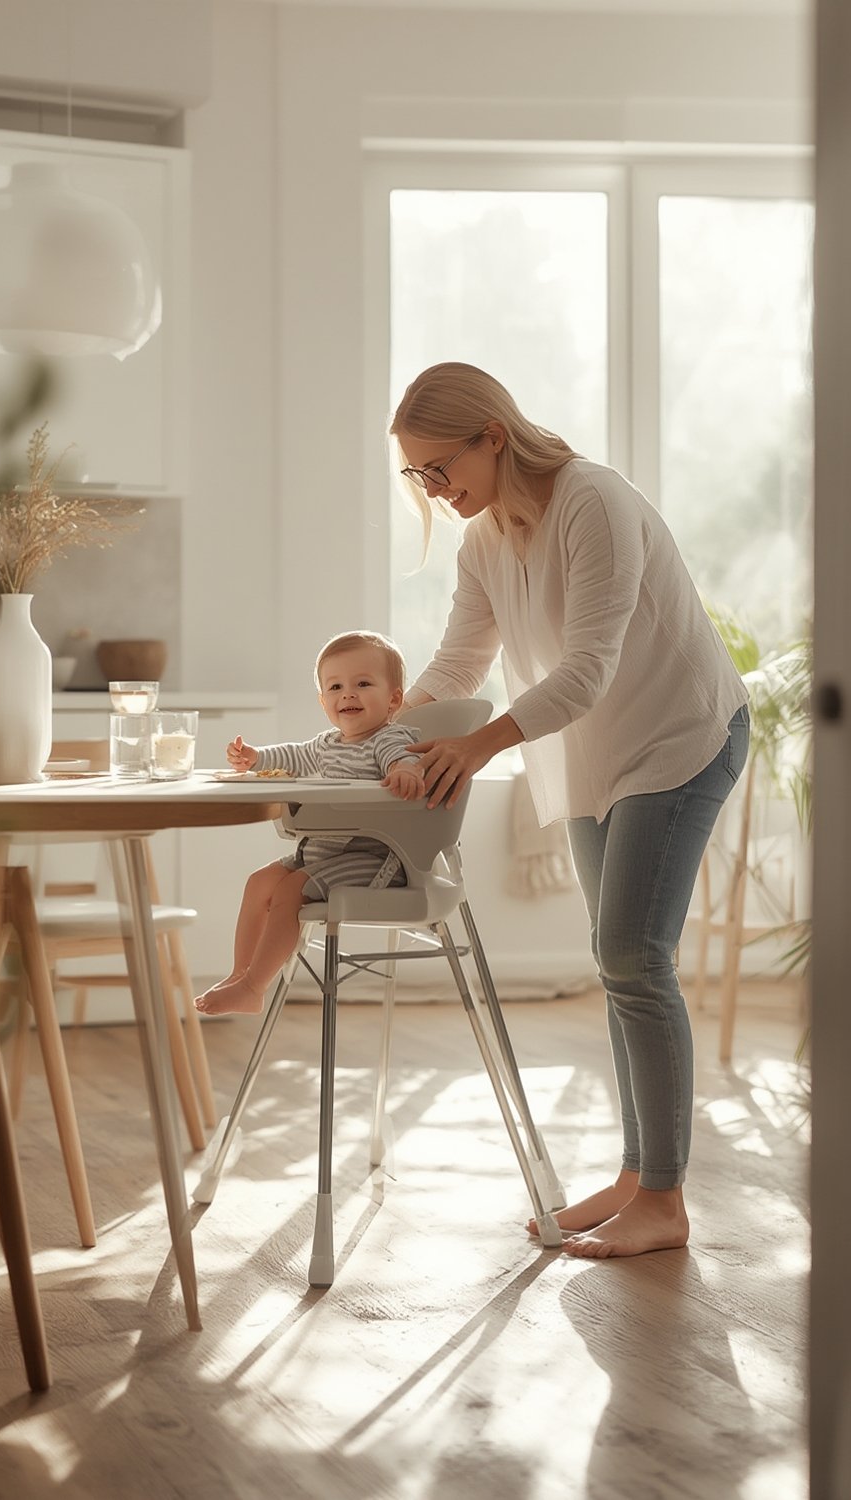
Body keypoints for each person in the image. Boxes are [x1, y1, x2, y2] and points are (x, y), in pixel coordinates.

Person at [390, 361, 749, 1260]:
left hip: (681, 736)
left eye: (440, 468)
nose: (433, 489)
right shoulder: (483, 543)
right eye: (416, 476)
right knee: (618, 959)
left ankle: (663, 1201)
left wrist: (474, 748)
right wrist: (386, 726)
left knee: (635, 955)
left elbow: (586, 668)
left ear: (492, 436)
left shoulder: (594, 501)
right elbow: (457, 669)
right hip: (596, 753)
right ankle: (638, 1176)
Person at [194, 630, 426, 1018]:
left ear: (394, 699)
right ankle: (239, 974)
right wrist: (254, 758)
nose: (347, 694)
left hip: (375, 858)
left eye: (363, 684)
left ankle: (255, 986)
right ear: (323, 702)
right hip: (320, 854)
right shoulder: (327, 744)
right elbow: (291, 755)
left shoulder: (387, 738)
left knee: (289, 889)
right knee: (259, 883)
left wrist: (405, 770)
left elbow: (403, 757)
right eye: (335, 686)